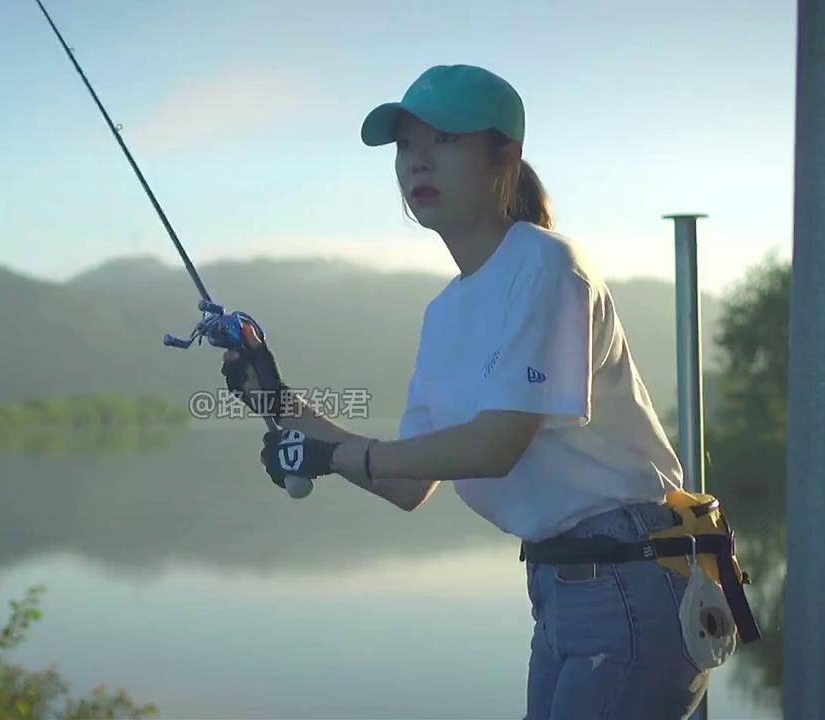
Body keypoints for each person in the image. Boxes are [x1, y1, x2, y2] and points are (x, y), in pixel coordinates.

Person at [221, 64, 713, 719]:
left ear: (504, 156)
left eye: (445, 140)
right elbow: (407, 481)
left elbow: (495, 445)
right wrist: (278, 404)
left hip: (628, 576)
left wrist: (337, 456)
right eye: (405, 146)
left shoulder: (545, 264)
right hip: (564, 587)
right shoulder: (446, 311)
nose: (418, 161)